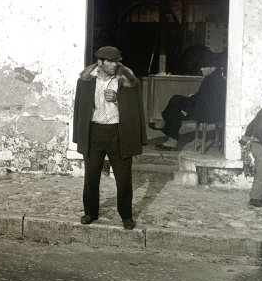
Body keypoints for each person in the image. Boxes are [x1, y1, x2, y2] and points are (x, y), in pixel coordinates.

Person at [72, 46, 147, 230]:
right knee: (91, 177)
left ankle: (126, 216)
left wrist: (117, 99)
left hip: (118, 133)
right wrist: (79, 136)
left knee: (123, 178)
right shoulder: (86, 81)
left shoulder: (127, 80)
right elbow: (79, 109)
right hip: (94, 132)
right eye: (110, 61)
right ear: (100, 62)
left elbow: (135, 108)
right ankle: (90, 212)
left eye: (116, 61)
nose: (115, 64)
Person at [152, 58, 227, 151]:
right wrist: (194, 96)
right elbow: (203, 97)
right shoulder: (217, 79)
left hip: (205, 113)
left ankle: (169, 135)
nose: (201, 69)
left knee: (175, 107)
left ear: (213, 68)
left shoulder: (211, 81)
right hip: (210, 111)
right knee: (175, 103)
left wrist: (187, 108)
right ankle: (168, 132)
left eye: (204, 67)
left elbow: (203, 101)